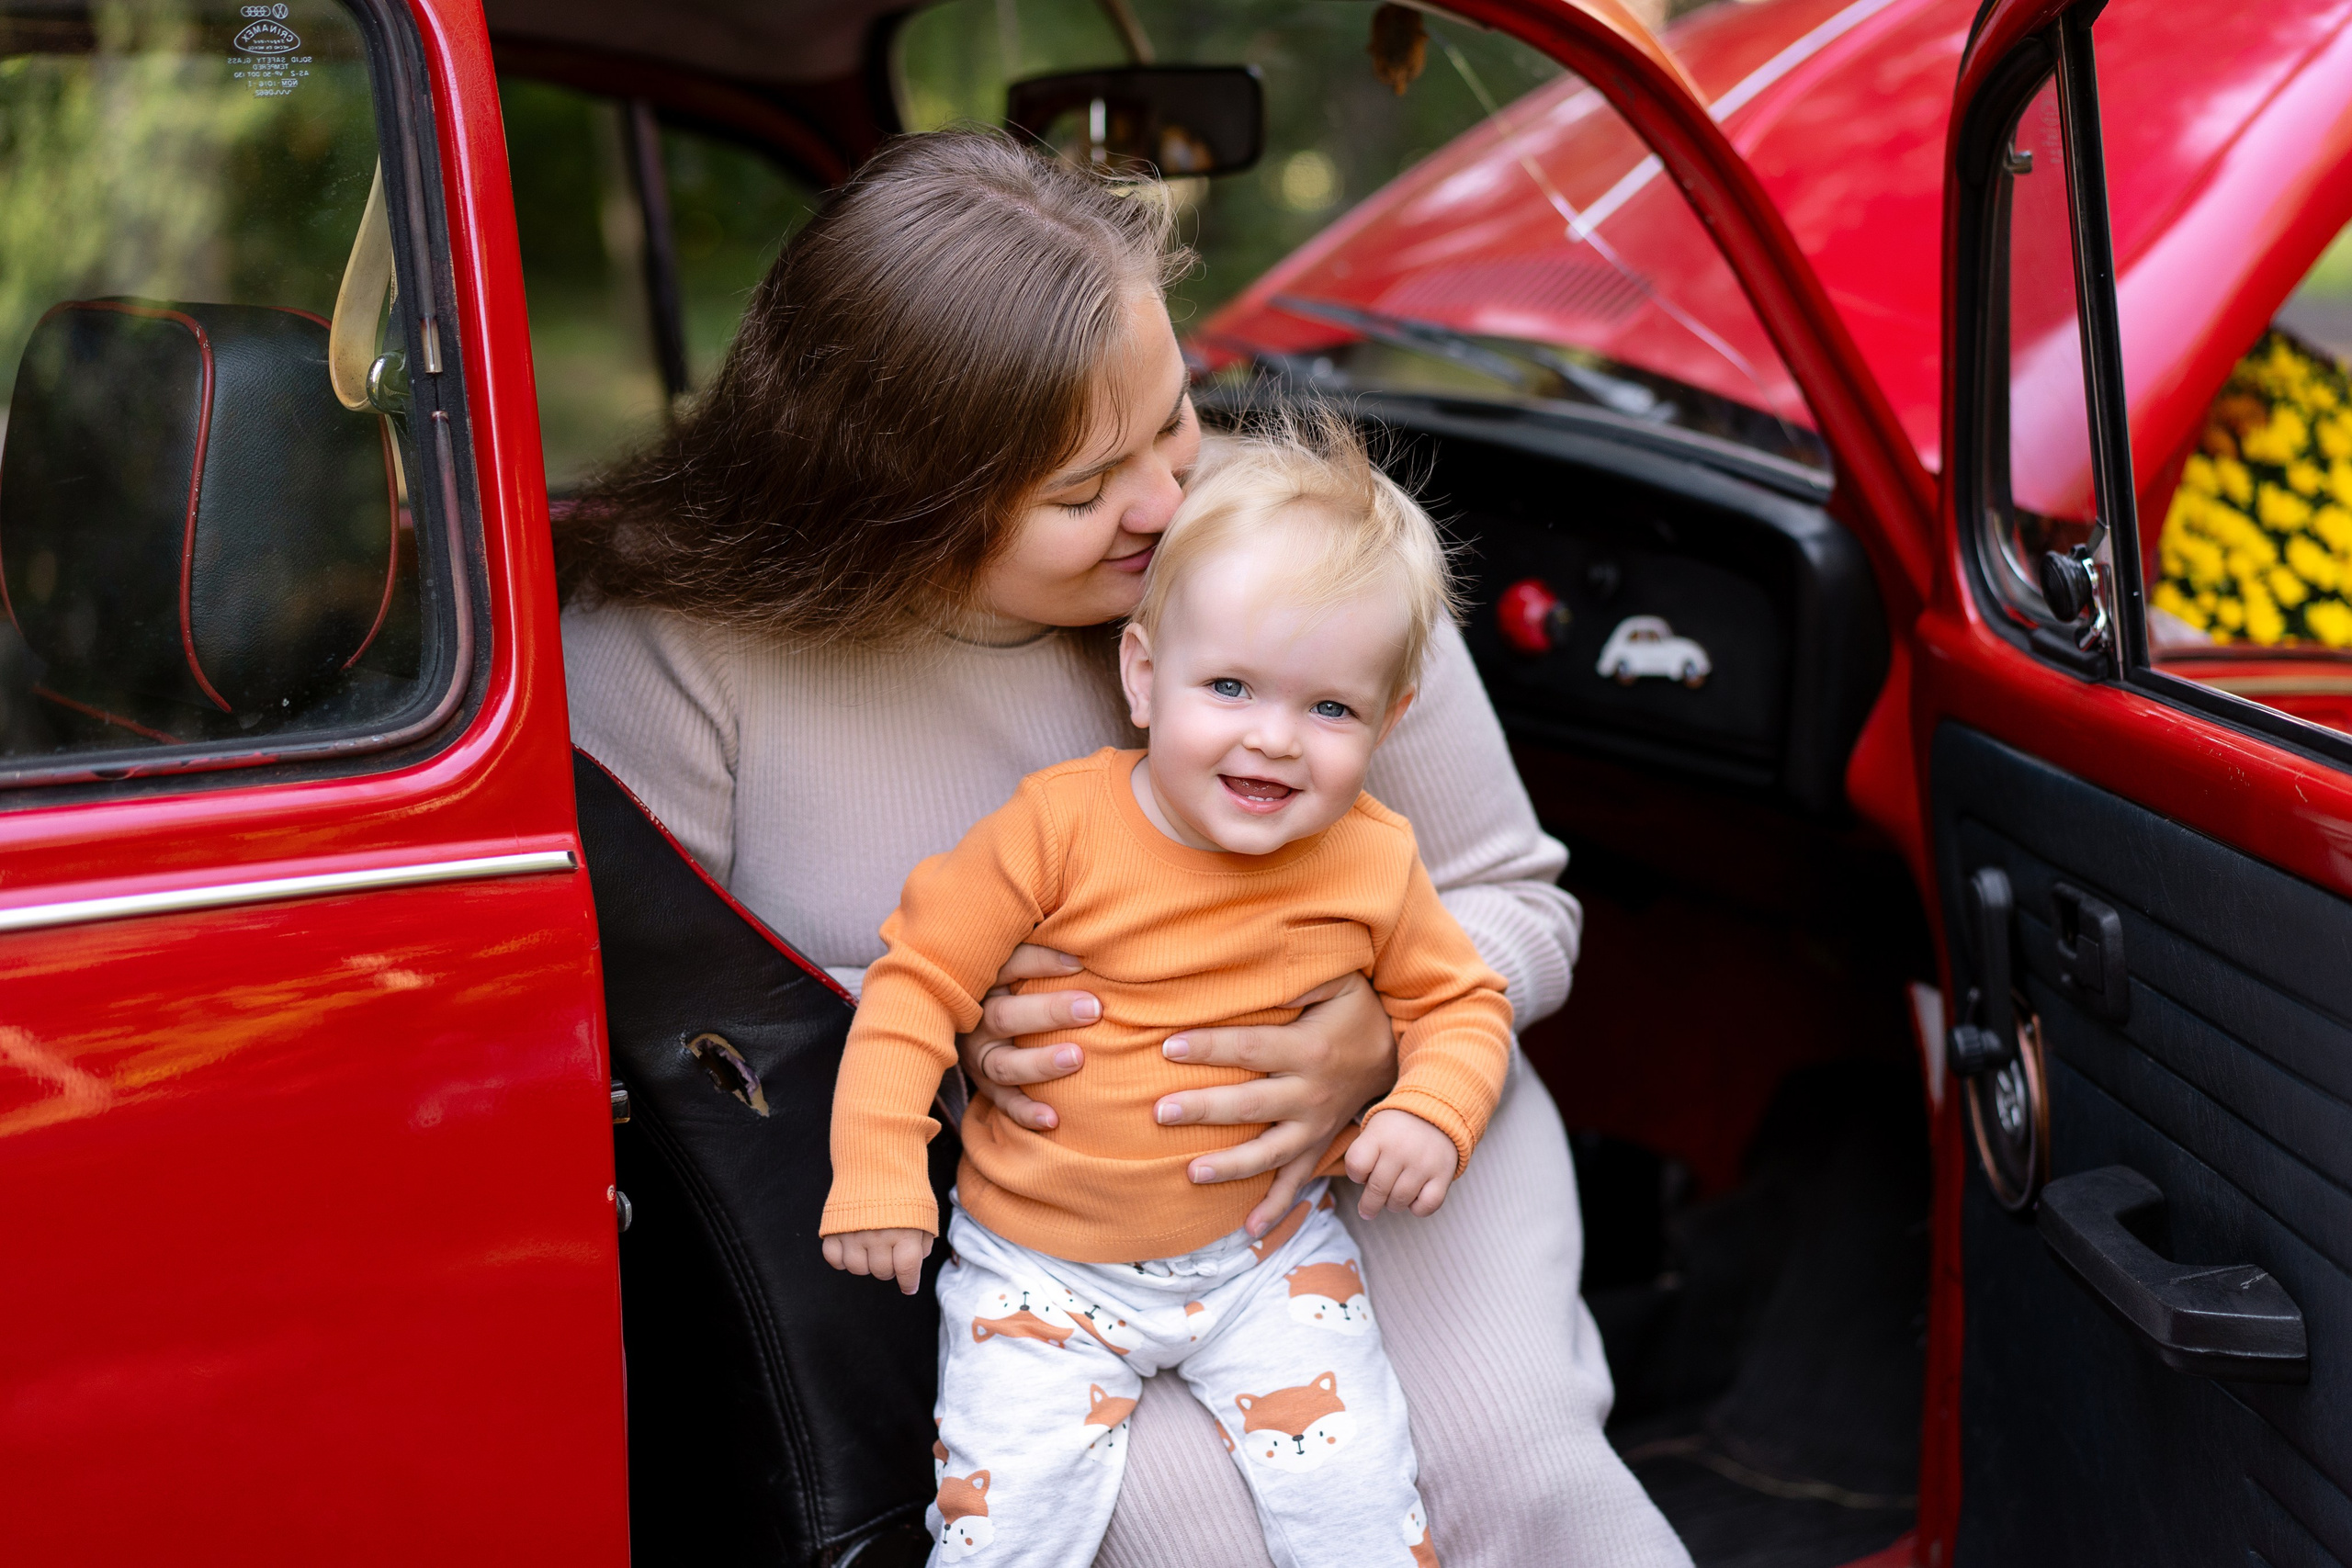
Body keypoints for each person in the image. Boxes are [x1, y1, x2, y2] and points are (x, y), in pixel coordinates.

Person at [560, 127, 1691, 1568]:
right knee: (1194, 1527)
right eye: (1088, 488)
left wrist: (1375, 1042)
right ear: (888, 498)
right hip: (1048, 1234)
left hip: (1387, 1156)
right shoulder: (665, 652)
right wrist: (938, 1021)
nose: (1170, 500)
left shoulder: (1280, 545)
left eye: (1174, 418)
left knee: (1529, 1487)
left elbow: (1513, 894)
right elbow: (637, 1046)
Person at [822, 415, 1513, 1566]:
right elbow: (916, 986)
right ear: (1144, 675)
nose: (1275, 741)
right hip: (1039, 1271)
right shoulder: (1055, 828)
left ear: (1388, 724)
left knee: (1360, 1508)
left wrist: (1429, 1108)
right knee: (1005, 1532)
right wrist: (880, 1170)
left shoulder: (1373, 859)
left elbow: (1461, 1004)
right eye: (1230, 686)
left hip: (1268, 1259)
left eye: (1329, 709)